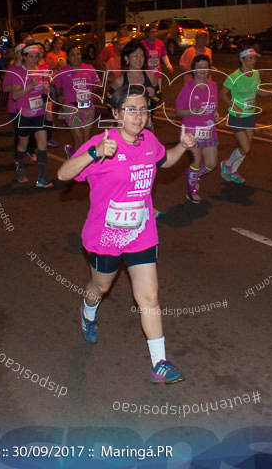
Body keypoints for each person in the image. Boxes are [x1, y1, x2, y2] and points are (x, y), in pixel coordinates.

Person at [56, 84, 196, 384]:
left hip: (141, 233)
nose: (138, 115)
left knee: (149, 297)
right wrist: (94, 153)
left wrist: (183, 146)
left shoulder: (149, 141)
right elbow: (64, 174)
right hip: (105, 237)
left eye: (143, 109)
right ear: (117, 113)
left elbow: (165, 161)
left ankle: (159, 363)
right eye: (131, 109)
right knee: (100, 288)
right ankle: (88, 310)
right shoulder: (103, 142)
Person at [218, 43, 272, 185]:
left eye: (255, 58)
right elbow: (222, 94)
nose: (253, 61)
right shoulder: (234, 76)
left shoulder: (256, 74)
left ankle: (231, 169)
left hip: (250, 115)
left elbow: (258, 91)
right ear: (242, 59)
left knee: (246, 147)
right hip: (237, 116)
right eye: (250, 58)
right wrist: (234, 106)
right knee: (245, 148)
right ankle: (227, 165)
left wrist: (270, 92)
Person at [5, 44, 54, 188]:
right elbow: (15, 95)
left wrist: (45, 90)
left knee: (42, 144)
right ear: (25, 57)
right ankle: (20, 166)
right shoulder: (18, 73)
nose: (34, 60)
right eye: (31, 57)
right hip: (24, 114)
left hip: (38, 112)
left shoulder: (40, 71)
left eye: (36, 57)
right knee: (23, 144)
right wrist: (30, 86)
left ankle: (41, 176)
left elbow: (43, 90)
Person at [175, 55, 220, 203]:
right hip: (191, 131)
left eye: (205, 67)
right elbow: (179, 112)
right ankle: (192, 190)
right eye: (199, 66)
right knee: (195, 161)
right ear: (194, 69)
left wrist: (215, 114)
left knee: (211, 164)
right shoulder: (187, 88)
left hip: (209, 130)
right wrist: (193, 109)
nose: (202, 70)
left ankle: (195, 177)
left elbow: (212, 107)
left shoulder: (213, 85)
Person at [52, 43, 100, 158]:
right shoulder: (63, 71)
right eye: (73, 55)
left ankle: (72, 151)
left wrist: (96, 86)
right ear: (68, 58)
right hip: (71, 107)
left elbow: (97, 83)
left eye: (78, 54)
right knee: (79, 139)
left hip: (87, 106)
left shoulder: (89, 68)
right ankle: (77, 168)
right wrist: (59, 96)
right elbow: (57, 86)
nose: (76, 57)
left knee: (86, 141)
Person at [112, 40, 161, 128]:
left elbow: (158, 98)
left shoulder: (152, 78)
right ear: (127, 58)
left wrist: (153, 96)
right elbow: (109, 103)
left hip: (146, 126)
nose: (139, 59)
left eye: (142, 56)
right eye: (135, 55)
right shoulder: (119, 82)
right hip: (125, 128)